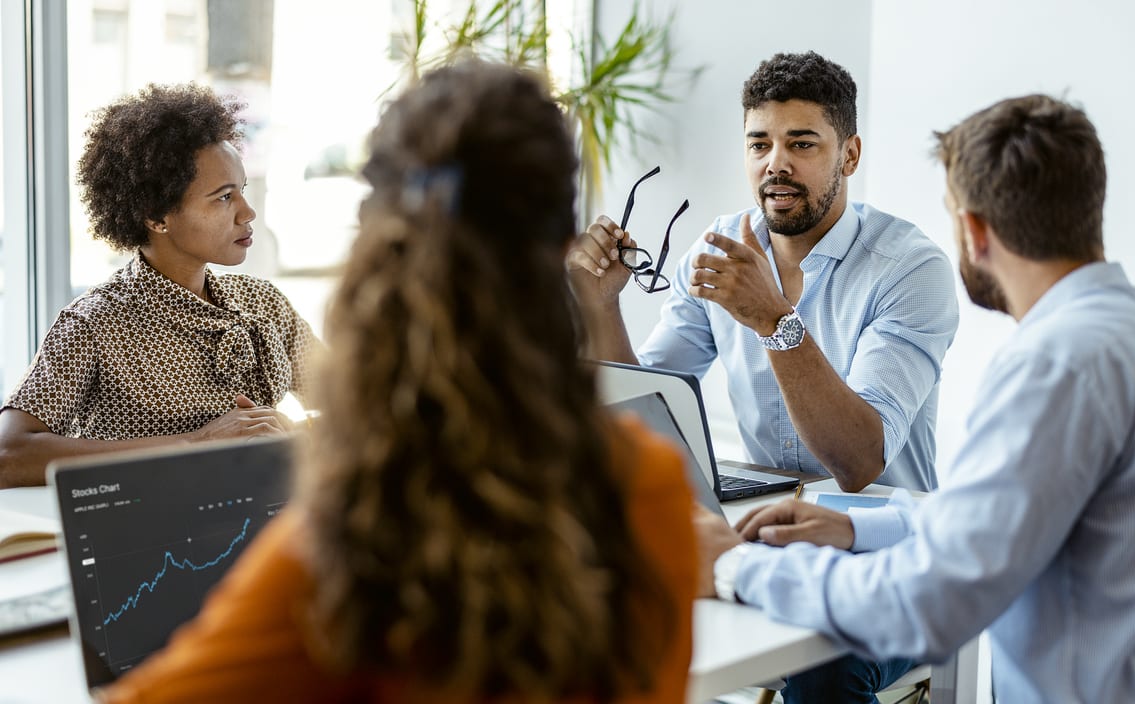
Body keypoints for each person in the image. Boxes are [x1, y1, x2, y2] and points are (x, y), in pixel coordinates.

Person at [99, 61, 697, 704]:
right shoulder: (650, 488)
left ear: (377, 245)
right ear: (562, 245)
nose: (243, 210)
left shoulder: (343, 557)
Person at [695, 94, 1135, 703]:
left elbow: (928, 604)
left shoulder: (1057, 366)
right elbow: (1003, 519)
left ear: (975, 231)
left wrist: (733, 565)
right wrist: (857, 530)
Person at [567, 50, 957, 701]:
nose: (775, 162)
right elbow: (647, 413)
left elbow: (858, 461)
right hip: (765, 536)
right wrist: (603, 305)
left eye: (800, 143)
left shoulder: (908, 269)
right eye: (759, 143)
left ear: (849, 155)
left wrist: (775, 320)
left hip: (889, 561)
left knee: (820, 669)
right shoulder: (720, 248)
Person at [0, 83, 320, 488]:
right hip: (150, 540)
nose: (247, 212)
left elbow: (357, 409)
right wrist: (194, 444)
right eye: (223, 198)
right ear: (156, 216)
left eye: (242, 191)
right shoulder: (95, 324)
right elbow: (9, 455)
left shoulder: (264, 302)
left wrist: (296, 434)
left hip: (265, 522)